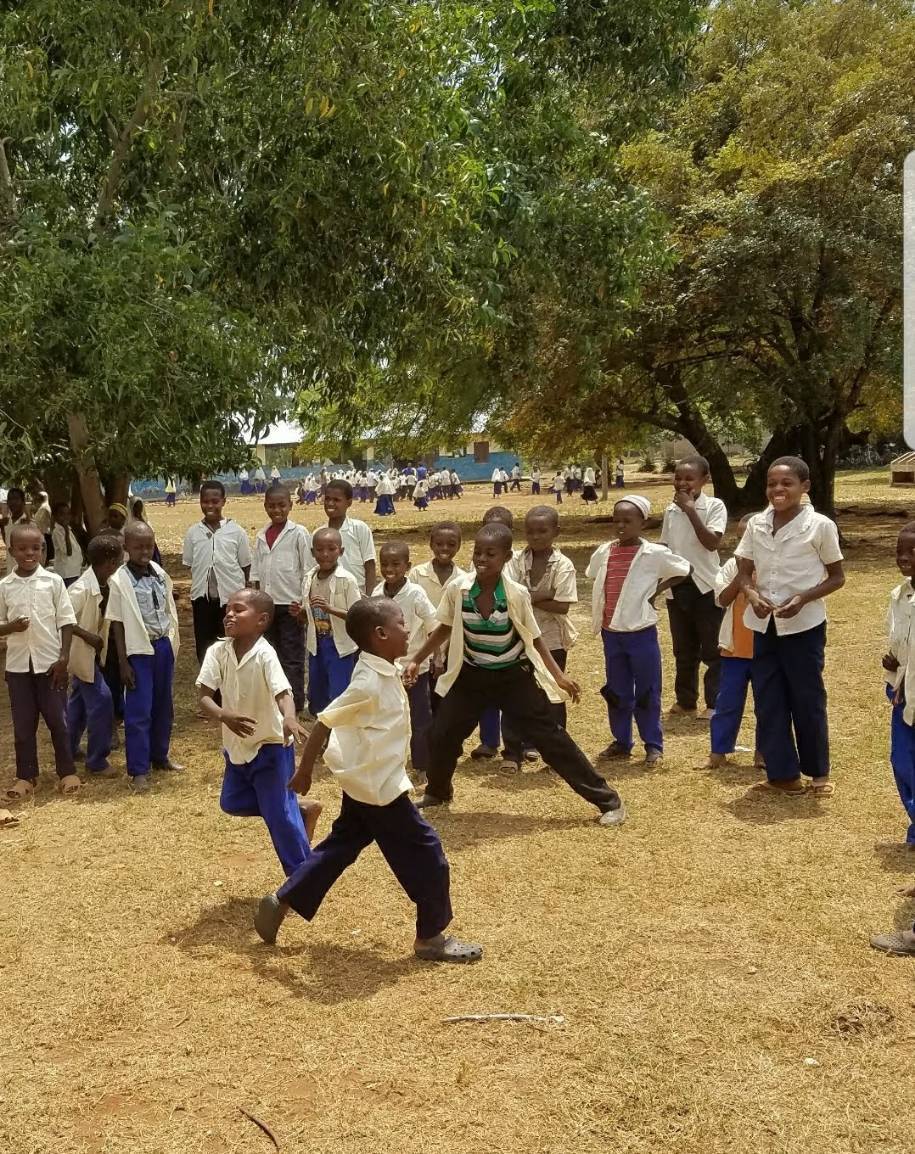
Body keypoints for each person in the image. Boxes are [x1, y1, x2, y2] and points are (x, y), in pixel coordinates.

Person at [253, 598, 483, 963]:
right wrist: (305, 770)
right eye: (401, 623)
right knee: (429, 856)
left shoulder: (381, 668)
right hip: (380, 790)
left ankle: (283, 899)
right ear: (380, 635)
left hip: (365, 784)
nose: (408, 629)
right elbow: (324, 722)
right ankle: (430, 937)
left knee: (339, 848)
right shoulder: (367, 682)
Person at [406, 522, 626, 825]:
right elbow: (444, 626)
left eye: (490, 554)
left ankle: (609, 801)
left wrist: (559, 676)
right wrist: (417, 659)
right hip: (472, 676)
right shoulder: (459, 589)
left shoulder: (515, 593)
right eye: (478, 552)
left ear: (506, 557)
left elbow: (534, 637)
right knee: (442, 733)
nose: (482, 559)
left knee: (551, 739)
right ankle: (438, 792)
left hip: (512, 678)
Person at [735, 456, 845, 796]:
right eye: (772, 484)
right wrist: (751, 594)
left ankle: (818, 774)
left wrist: (803, 598)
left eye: (787, 483)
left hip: (804, 627)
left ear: (805, 487)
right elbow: (743, 572)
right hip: (764, 625)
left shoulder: (819, 526)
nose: (778, 490)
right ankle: (782, 775)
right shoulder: (757, 524)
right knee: (768, 699)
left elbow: (837, 577)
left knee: (807, 698)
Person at [198, 588, 320, 874]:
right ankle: (299, 809)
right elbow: (204, 696)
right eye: (228, 609)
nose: (229, 614)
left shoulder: (265, 654)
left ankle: (301, 877)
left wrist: (289, 718)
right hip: (237, 746)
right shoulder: (217, 651)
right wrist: (223, 715)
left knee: (279, 817)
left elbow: (282, 692)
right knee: (231, 802)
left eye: (239, 610)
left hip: (271, 745)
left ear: (262, 620)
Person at [586, 495, 691, 767]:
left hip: (640, 632)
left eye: (628, 521)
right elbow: (592, 574)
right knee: (617, 689)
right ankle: (622, 741)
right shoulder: (605, 551)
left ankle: (653, 744)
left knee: (647, 689)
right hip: (611, 632)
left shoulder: (654, 554)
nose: (621, 526)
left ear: (642, 523)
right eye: (616, 520)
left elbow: (684, 569)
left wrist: (656, 590)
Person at [0, 523, 80, 800]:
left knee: (59, 720)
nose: (29, 553)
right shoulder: (5, 586)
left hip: (50, 665)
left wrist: (64, 657)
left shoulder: (53, 582)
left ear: (43, 550)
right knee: (23, 725)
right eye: (22, 549)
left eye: (35, 548)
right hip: (18, 667)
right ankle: (26, 776)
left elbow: (66, 621)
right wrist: (11, 627)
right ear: (12, 551)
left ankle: (67, 772)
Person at [500, 506, 579, 773]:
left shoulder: (563, 565)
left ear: (556, 532)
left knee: (552, 694)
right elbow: (507, 595)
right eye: (531, 531)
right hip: (517, 637)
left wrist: (527, 598)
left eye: (543, 531)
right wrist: (545, 595)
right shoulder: (514, 561)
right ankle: (513, 752)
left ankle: (556, 755)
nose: (536, 536)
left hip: (551, 638)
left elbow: (563, 605)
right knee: (513, 694)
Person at [106, 521, 183, 793]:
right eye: (138, 547)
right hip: (138, 652)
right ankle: (139, 769)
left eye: (149, 546)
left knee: (163, 706)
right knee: (139, 711)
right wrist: (123, 662)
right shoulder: (119, 580)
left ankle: (160, 756)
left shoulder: (159, 573)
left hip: (162, 647)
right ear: (126, 547)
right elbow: (116, 623)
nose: (144, 551)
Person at [660, 456, 728, 720]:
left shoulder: (714, 506)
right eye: (678, 478)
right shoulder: (671, 510)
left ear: (704, 480)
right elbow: (665, 546)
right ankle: (686, 700)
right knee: (683, 648)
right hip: (678, 585)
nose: (682, 483)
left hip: (706, 584)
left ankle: (715, 702)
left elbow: (711, 543)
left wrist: (690, 510)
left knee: (712, 649)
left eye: (689, 478)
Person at [374, 542, 437, 777]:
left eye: (395, 564)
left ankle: (422, 766)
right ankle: (391, 763)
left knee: (420, 717)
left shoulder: (415, 593)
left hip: (414, 666)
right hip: (386, 669)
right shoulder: (377, 593)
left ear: (407, 566)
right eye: (384, 564)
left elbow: (433, 626)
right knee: (389, 718)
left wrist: (436, 657)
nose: (389, 569)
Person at [250, 483, 311, 715]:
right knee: (269, 653)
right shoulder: (261, 536)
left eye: (281, 505)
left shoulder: (299, 534)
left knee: (292, 655)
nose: (277, 510)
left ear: (290, 505)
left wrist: (303, 604)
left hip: (291, 605)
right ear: (265, 506)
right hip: (267, 606)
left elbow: (308, 571)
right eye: (272, 506)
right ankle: (274, 700)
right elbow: (255, 574)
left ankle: (295, 703)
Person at [708, 516, 763, 769]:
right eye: (740, 539)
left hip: (764, 649)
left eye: (749, 538)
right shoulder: (731, 566)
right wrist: (742, 575)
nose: (744, 544)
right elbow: (721, 599)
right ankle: (718, 751)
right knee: (727, 702)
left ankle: (763, 753)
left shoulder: (774, 565)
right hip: (735, 649)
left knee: (767, 704)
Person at [67, 535, 123, 777]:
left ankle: (68, 748)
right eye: (119, 561)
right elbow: (62, 619)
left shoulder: (106, 583)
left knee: (78, 703)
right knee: (102, 701)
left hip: (94, 654)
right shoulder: (80, 589)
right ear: (111, 563)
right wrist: (87, 636)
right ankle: (97, 761)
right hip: (80, 653)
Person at [182, 480, 252, 675]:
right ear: (200, 502)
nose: (210, 506)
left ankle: (230, 683)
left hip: (230, 601)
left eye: (215, 501)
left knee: (230, 643)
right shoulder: (193, 532)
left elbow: (246, 565)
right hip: (202, 601)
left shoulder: (236, 531)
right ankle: (210, 685)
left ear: (223, 502)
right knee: (205, 647)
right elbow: (191, 564)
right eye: (205, 501)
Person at [298, 527, 361, 716]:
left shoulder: (347, 580)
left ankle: (338, 728)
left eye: (331, 549)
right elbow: (308, 616)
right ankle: (322, 724)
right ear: (312, 552)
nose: (325, 554)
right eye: (319, 550)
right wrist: (300, 613)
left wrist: (330, 609)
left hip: (339, 645)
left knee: (339, 690)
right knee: (318, 689)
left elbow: (357, 615)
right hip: (317, 643)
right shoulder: (309, 578)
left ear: (341, 551)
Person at [881, 522, 915, 849]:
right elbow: (901, 642)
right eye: (899, 551)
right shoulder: (899, 596)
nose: (904, 557)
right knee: (902, 762)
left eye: (913, 551)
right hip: (902, 694)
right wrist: (894, 661)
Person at [324, 479, 377, 594]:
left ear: (349, 502)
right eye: (327, 499)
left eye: (336, 500)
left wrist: (369, 597)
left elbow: (370, 565)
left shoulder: (360, 529)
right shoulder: (319, 534)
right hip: (328, 596)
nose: (330, 503)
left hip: (358, 594)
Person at [50, 501, 85, 586]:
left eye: (68, 514)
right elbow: (68, 552)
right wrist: (66, 531)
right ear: (54, 517)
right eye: (62, 514)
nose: (66, 517)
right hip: (66, 573)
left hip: (74, 570)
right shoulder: (57, 532)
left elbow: (75, 547)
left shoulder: (68, 529)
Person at [0, 488, 33, 574]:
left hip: (26, 574)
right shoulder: (7, 523)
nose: (13, 502)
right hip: (11, 571)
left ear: (23, 502)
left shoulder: (29, 524)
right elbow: (8, 544)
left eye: (16, 499)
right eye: (10, 499)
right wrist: (2, 528)